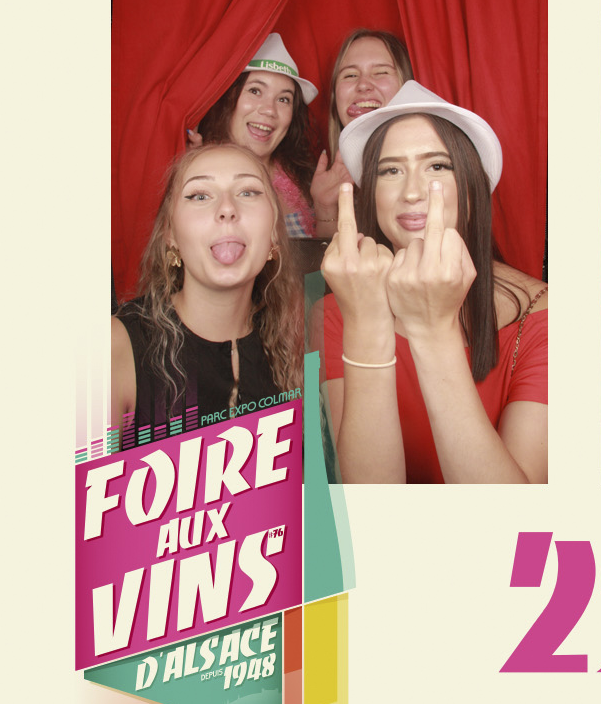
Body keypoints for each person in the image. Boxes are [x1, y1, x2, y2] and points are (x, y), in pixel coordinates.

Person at [315, 82, 548, 484]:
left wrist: (433, 329)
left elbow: (513, 515)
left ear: (473, 184)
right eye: (391, 170)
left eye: (437, 166)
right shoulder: (336, 313)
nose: (411, 192)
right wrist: (366, 322)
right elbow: (369, 506)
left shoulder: (544, 316)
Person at [111, 141, 303, 443]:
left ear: (274, 233)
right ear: (170, 235)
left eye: (248, 192)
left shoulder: (299, 346)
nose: (227, 209)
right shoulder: (112, 349)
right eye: (199, 196)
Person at [195, 33, 321, 268]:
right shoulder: (196, 180)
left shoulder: (304, 177)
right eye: (255, 91)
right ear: (229, 97)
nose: (269, 110)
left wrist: (326, 206)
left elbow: (318, 269)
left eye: (283, 99)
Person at [309, 29, 415, 232]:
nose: (363, 85)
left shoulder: (433, 174)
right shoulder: (326, 183)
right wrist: (325, 208)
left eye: (381, 72)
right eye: (350, 75)